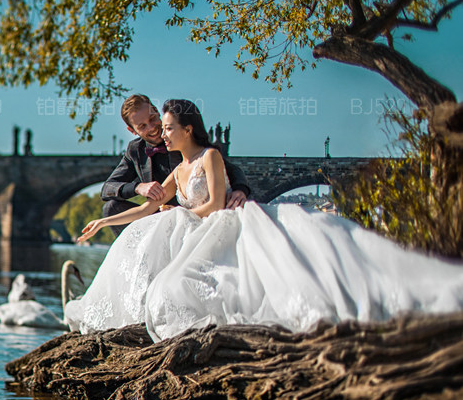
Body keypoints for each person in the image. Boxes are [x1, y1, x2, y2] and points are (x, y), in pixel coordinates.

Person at [66, 99, 463, 341]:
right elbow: (124, 195)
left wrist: (235, 194)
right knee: (142, 230)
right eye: (148, 126)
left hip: (210, 220)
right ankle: (122, 308)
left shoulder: (209, 154)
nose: (157, 131)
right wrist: (107, 222)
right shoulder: (144, 154)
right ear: (133, 130)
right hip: (179, 220)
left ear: (182, 127)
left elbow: (224, 186)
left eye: (161, 123)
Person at [100, 94, 252, 234]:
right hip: (160, 214)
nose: (152, 128)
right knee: (111, 208)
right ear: (132, 130)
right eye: (142, 126)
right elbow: (108, 188)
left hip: (194, 216)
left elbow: (226, 167)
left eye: (152, 118)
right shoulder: (135, 150)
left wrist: (240, 189)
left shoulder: (183, 138)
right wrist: (138, 187)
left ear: (157, 111)